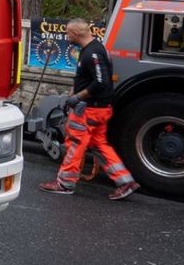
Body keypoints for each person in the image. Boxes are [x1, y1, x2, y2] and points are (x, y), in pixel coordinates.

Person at [41, 19, 140, 200]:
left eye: (68, 33)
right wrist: (73, 94)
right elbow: (86, 78)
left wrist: (78, 97)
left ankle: (64, 184)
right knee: (99, 146)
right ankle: (125, 181)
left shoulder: (92, 53)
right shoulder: (94, 49)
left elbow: (101, 82)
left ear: (76, 34)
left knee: (74, 145)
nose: (66, 36)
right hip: (99, 110)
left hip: (89, 111)